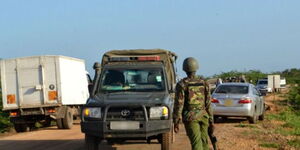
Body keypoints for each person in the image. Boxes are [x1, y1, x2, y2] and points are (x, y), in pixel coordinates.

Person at [173, 57, 214, 150]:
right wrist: (211, 120)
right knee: (204, 142)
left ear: (184, 69)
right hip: (204, 116)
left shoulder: (182, 84)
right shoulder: (204, 82)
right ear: (197, 67)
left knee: (196, 143)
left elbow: (179, 104)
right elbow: (208, 103)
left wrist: (176, 121)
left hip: (190, 117)